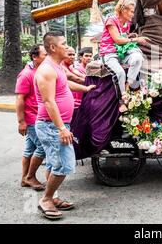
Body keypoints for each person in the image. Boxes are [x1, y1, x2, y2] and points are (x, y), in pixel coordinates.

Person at [34, 31, 95, 220]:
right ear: (53, 47)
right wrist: (61, 128)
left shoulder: (57, 66)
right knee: (65, 164)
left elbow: (65, 85)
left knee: (54, 163)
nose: (68, 47)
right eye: (64, 43)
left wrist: (85, 88)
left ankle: (54, 196)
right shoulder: (46, 70)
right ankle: (46, 199)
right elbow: (49, 101)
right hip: (51, 126)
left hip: (56, 125)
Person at [99, 0, 149, 113]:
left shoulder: (126, 24)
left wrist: (131, 37)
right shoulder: (111, 20)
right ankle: (121, 101)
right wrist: (137, 40)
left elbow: (124, 38)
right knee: (120, 72)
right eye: (131, 11)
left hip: (121, 53)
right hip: (108, 53)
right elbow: (117, 40)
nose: (133, 14)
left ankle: (128, 84)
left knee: (137, 58)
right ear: (123, 10)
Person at [15, 44, 47, 191]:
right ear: (35, 57)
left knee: (29, 149)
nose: (47, 57)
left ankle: (24, 179)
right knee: (42, 147)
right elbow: (20, 99)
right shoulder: (26, 74)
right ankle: (30, 177)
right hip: (32, 118)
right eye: (44, 55)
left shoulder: (40, 70)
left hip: (37, 116)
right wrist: (21, 122)